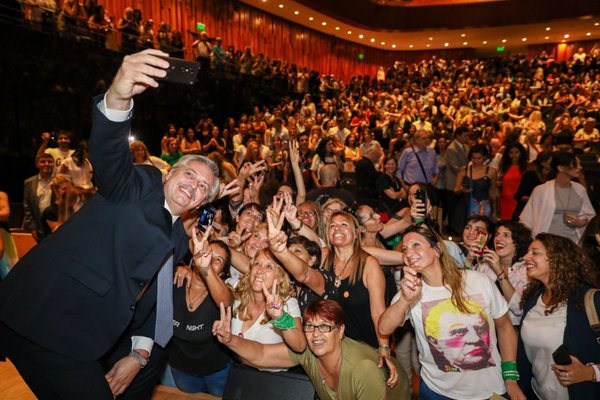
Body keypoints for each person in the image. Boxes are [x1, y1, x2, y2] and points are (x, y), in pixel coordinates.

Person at [0, 50, 221, 399]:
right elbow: (109, 157)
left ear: (203, 202)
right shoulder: (142, 183)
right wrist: (118, 97)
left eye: (203, 188)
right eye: (189, 174)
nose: (194, 185)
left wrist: (140, 350)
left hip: (72, 336)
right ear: (169, 171)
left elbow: (147, 294)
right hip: (44, 315)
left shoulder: (180, 238)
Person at [379, 225, 526, 400]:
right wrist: (404, 300)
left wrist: (511, 378)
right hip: (437, 392)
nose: (408, 252)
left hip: (489, 390)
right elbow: (384, 328)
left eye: (416, 245)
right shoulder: (410, 291)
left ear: (437, 250)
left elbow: (505, 327)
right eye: (405, 249)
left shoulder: (478, 281)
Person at [213, 299, 410, 399]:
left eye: (325, 327)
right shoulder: (307, 351)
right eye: (310, 326)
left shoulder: (362, 369)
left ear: (340, 331)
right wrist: (230, 340)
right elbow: (262, 354)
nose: (316, 334)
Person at [517, 233, 600, 399]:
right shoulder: (533, 299)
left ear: (558, 258)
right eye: (527, 252)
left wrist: (591, 373)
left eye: (535, 252)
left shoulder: (592, 300)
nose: (526, 257)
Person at [167, 235, 234, 397]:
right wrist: (178, 268)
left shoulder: (222, 292)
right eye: (207, 253)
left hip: (216, 372)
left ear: (223, 272)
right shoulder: (176, 281)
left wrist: (205, 269)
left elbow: (226, 303)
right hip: (181, 369)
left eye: (217, 260)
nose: (209, 259)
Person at [520, 151, 595, 243]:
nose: (580, 167)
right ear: (561, 168)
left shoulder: (579, 189)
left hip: (572, 243)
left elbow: (589, 215)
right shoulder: (541, 190)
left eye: (579, 164)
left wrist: (580, 223)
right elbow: (527, 219)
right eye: (575, 164)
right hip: (547, 243)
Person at [22, 153, 55, 241]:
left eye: (50, 162)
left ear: (54, 164)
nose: (46, 164)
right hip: (38, 227)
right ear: (37, 164)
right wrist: (32, 228)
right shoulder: (29, 182)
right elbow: (27, 207)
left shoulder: (58, 181)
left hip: (55, 225)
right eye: (43, 162)